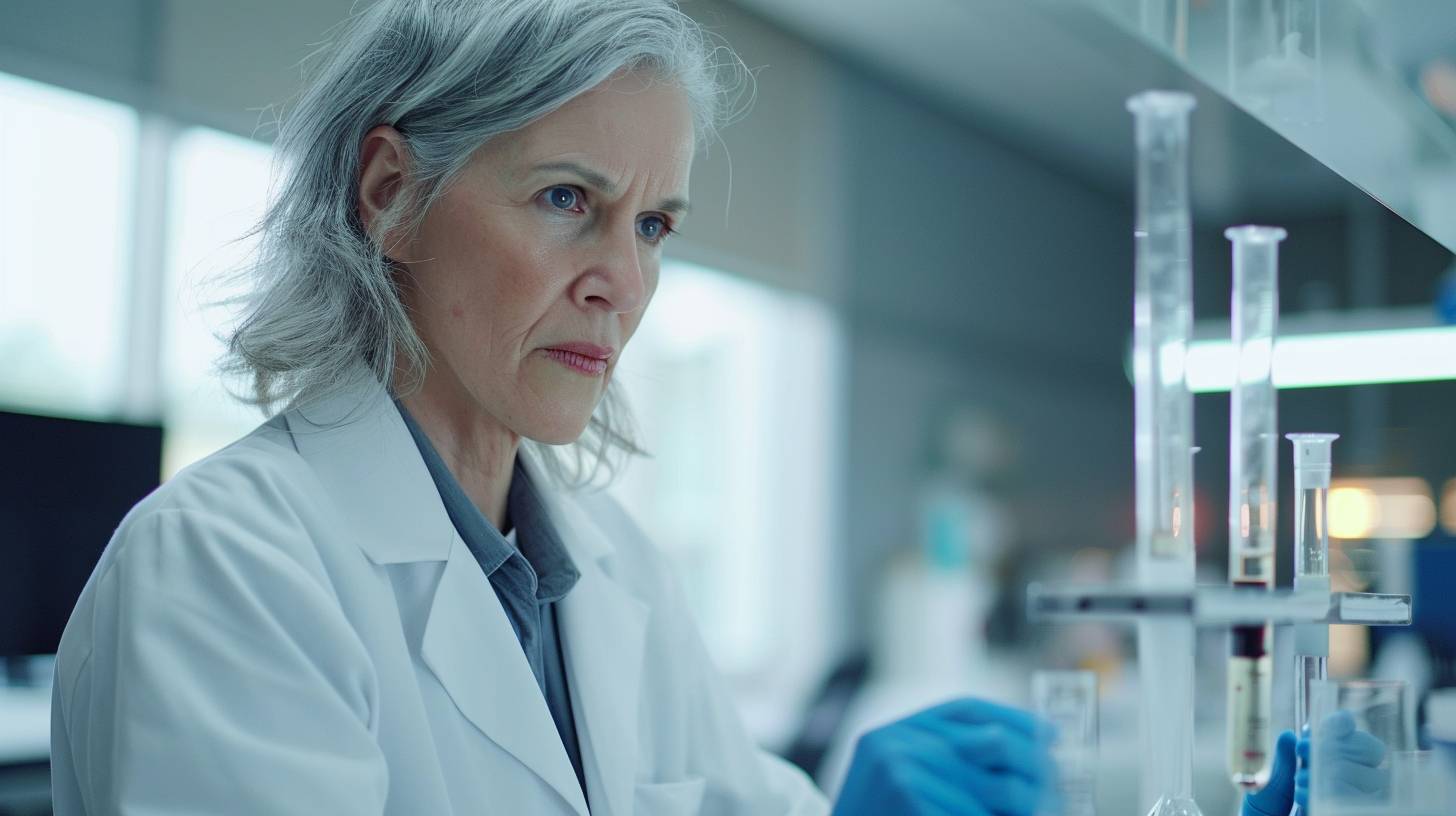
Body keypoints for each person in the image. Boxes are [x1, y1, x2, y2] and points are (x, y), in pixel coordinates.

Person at [47, 1, 1298, 814]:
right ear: (388, 193)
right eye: (564, 201)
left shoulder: (609, 566)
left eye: (651, 224)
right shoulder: (224, 570)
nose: (623, 280)